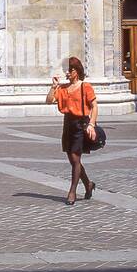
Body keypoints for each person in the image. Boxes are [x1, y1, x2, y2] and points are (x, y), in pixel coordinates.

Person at [47, 56, 99, 205]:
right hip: (68, 124)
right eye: (66, 70)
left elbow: (94, 106)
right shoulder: (62, 88)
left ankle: (72, 191)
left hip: (81, 124)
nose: (67, 73)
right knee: (72, 159)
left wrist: (91, 125)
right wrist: (53, 86)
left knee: (76, 158)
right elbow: (49, 100)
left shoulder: (85, 86)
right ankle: (88, 184)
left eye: (70, 70)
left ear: (77, 71)